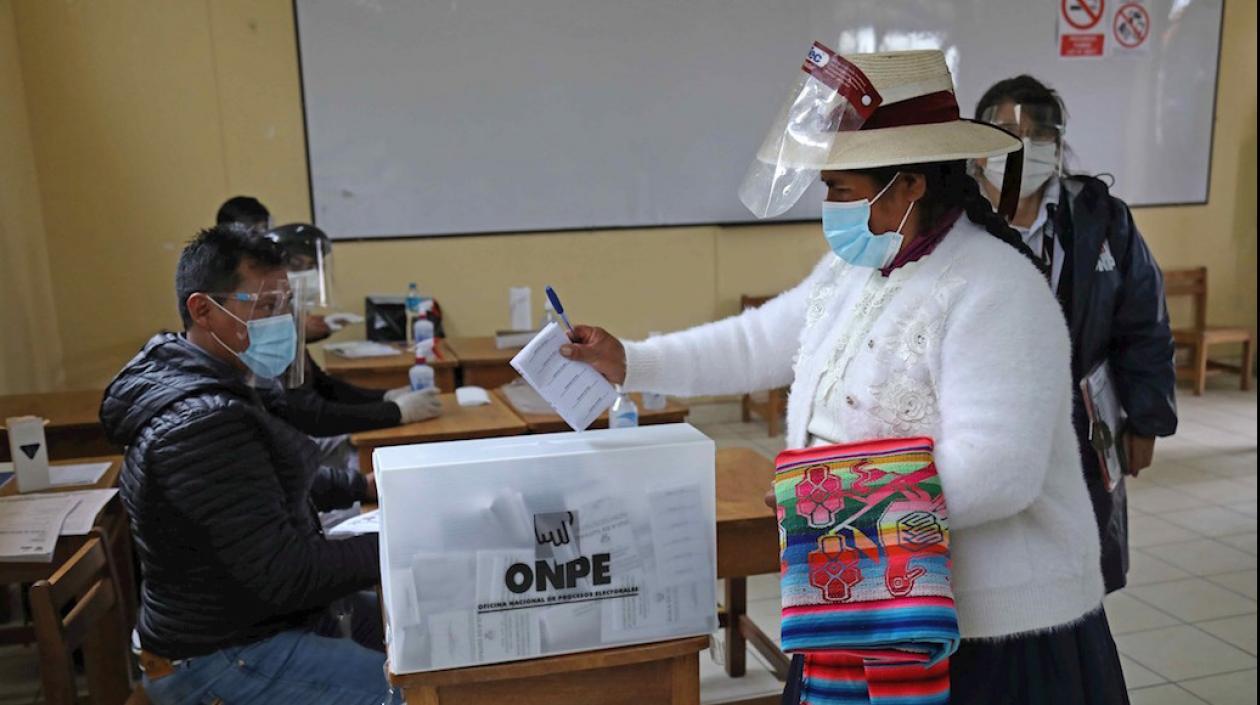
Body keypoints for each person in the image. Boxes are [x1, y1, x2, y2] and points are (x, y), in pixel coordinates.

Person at [562, 50, 1127, 703]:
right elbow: (755, 341)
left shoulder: (995, 289)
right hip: (866, 593)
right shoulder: (856, 271)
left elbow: (999, 471)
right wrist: (632, 361)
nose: (829, 207)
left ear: (910, 185)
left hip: (992, 632)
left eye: (841, 189)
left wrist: (825, 502)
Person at [99, 226, 396, 704]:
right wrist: (404, 540)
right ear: (202, 310)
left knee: (415, 637)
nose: (283, 322)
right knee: (415, 691)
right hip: (221, 653)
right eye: (265, 307)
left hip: (258, 619)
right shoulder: (200, 422)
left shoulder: (213, 377)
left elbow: (262, 482)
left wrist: (360, 485)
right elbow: (289, 573)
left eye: (286, 305)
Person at [974, 75, 1178, 594]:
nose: (1023, 146)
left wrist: (1146, 421)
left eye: (1038, 134)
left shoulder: (1101, 219)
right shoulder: (951, 220)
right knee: (990, 576)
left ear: (1057, 144)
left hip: (1081, 425)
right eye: (1007, 133)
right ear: (977, 147)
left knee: (1076, 573)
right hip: (983, 425)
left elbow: (1144, 326)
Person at [262, 222, 442, 474]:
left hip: (301, 439)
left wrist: (385, 396)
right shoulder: (269, 328)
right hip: (287, 452)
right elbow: (310, 414)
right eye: (298, 265)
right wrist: (396, 411)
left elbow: (324, 386)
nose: (309, 274)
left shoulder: (287, 319)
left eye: (312, 266)